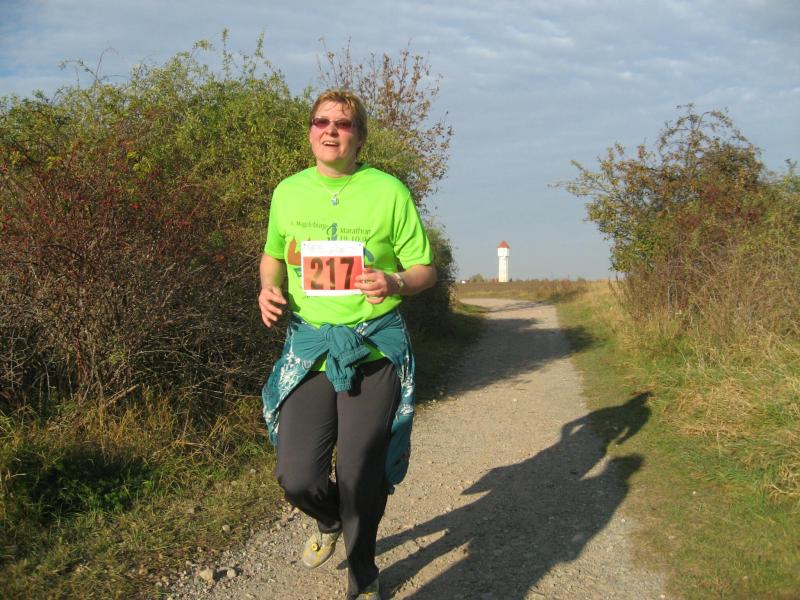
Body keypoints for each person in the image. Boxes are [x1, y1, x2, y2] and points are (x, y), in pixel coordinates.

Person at [258, 89, 437, 600]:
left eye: (344, 123)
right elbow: (273, 255)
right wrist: (268, 288)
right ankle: (330, 520)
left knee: (361, 474)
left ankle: (363, 572)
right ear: (310, 131)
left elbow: (424, 269)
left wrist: (395, 281)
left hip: (373, 350)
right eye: (321, 121)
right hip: (311, 348)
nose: (331, 130)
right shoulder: (288, 191)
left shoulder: (388, 191)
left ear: (360, 137)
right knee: (297, 475)